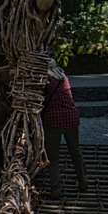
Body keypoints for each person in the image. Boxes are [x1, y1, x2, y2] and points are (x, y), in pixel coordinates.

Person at [43, 58, 88, 200]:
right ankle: (83, 182)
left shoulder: (45, 80)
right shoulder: (64, 78)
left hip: (53, 120)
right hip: (71, 118)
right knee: (76, 151)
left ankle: (56, 189)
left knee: (53, 157)